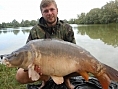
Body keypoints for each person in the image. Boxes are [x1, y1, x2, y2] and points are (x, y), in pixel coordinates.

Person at [15, 0, 76, 88]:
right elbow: (27, 52)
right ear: (42, 13)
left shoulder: (67, 28)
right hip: (43, 68)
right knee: (19, 75)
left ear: (57, 10)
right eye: (46, 11)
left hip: (64, 65)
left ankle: (67, 80)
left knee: (82, 63)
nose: (49, 13)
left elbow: (74, 51)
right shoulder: (35, 30)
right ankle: (45, 79)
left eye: (52, 9)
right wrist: (33, 66)